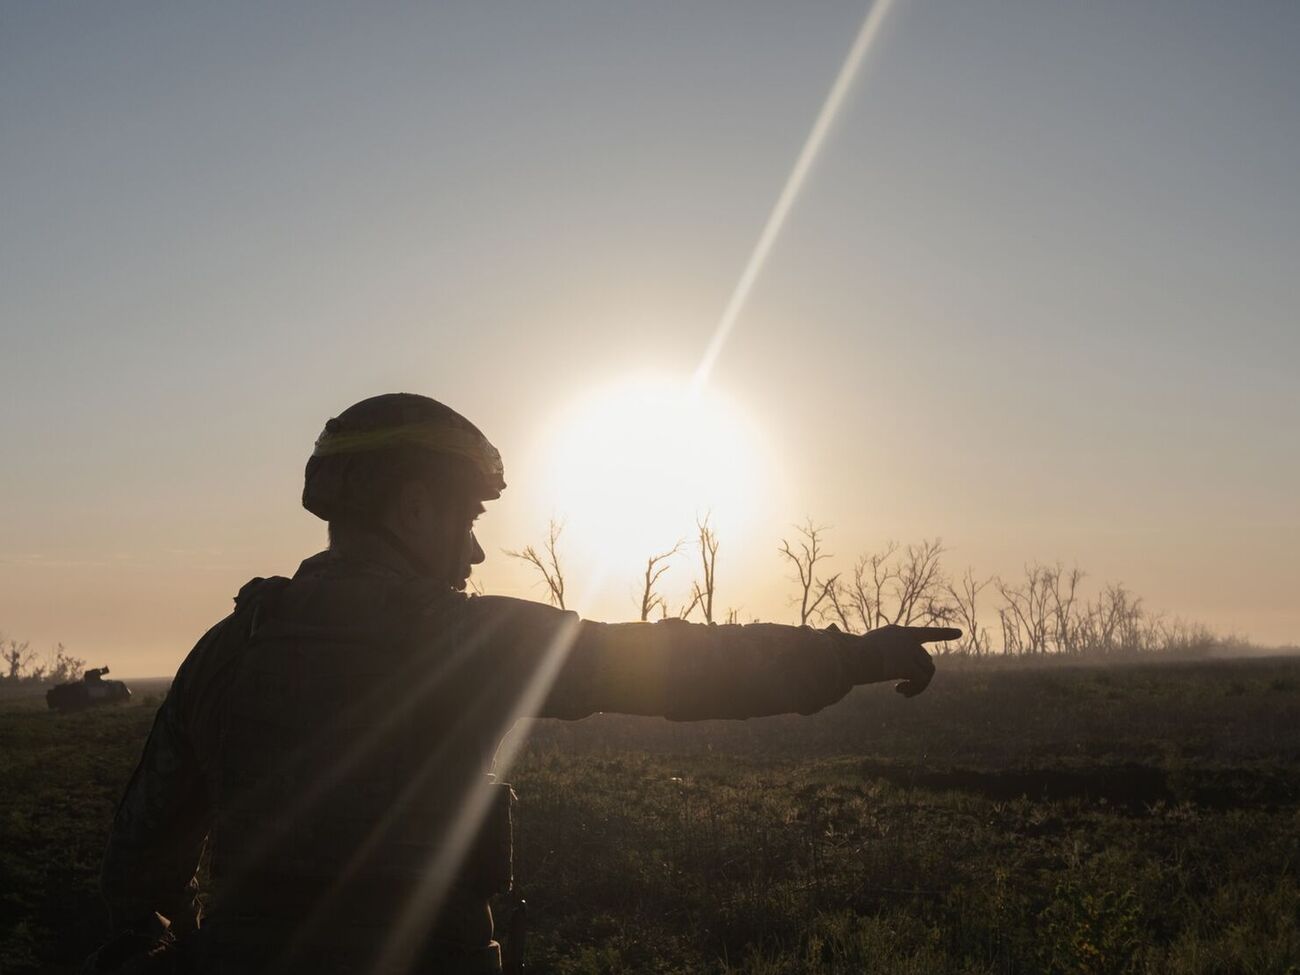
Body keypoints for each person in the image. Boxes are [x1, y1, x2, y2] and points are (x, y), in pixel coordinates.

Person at [93, 393, 958, 975]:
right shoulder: (464, 640)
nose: (475, 549)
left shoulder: (229, 646)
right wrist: (856, 655)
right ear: (414, 507)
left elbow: (140, 857)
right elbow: (683, 665)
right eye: (468, 517)